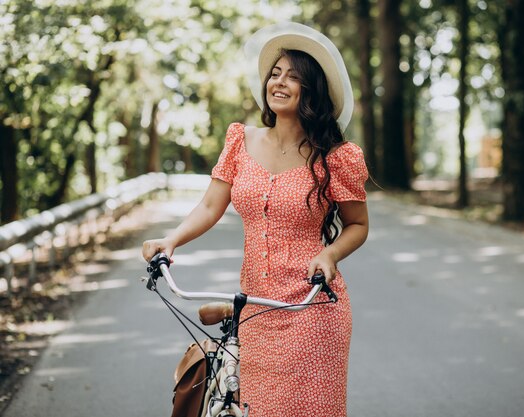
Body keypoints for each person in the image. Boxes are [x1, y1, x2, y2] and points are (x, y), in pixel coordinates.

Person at [142, 21, 369, 417]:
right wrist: (171, 240)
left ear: (311, 91)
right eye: (275, 74)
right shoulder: (240, 141)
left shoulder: (336, 156)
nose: (279, 83)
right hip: (257, 309)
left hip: (313, 308)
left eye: (293, 77)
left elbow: (358, 225)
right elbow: (210, 206)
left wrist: (330, 256)